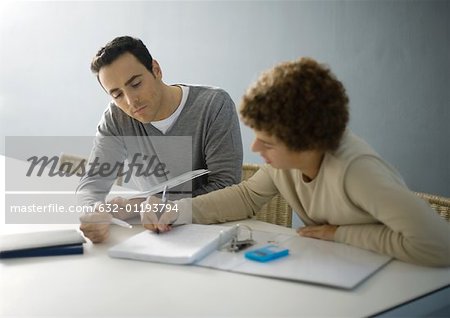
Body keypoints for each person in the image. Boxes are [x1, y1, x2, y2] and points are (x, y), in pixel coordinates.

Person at [144, 57, 450, 266]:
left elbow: (440, 245)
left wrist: (341, 234)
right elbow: (246, 197)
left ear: (307, 140)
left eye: (267, 141)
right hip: (337, 269)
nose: (254, 146)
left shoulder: (358, 171)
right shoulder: (284, 165)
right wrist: (176, 210)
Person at [78, 36, 243, 243]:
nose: (131, 101)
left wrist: (138, 205)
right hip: (156, 235)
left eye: (136, 84)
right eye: (117, 94)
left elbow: (227, 187)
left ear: (156, 69)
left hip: (213, 231)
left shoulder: (214, 105)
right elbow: (92, 183)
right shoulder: (117, 117)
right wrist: (94, 212)